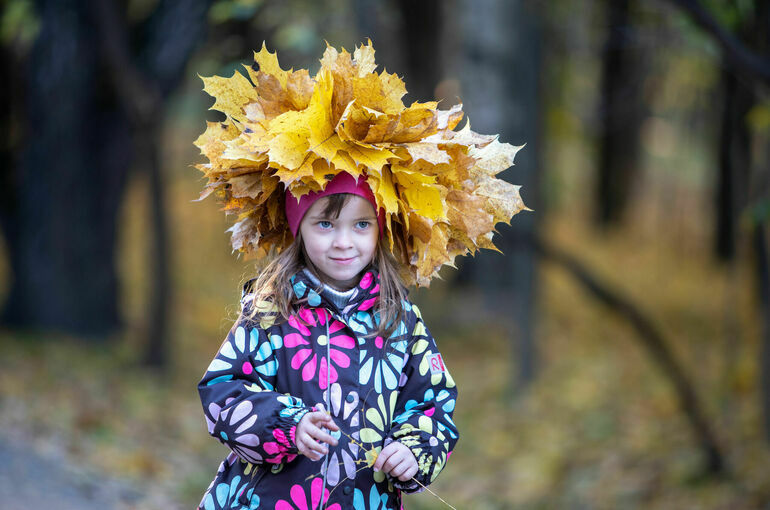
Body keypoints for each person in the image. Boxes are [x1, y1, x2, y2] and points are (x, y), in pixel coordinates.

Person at [197, 172, 460, 510]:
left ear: (379, 228)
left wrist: (413, 449)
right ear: (299, 227)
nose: (343, 241)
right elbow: (223, 393)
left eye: (361, 224)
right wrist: (288, 425)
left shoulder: (400, 321)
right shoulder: (272, 312)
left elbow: (434, 402)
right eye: (325, 224)